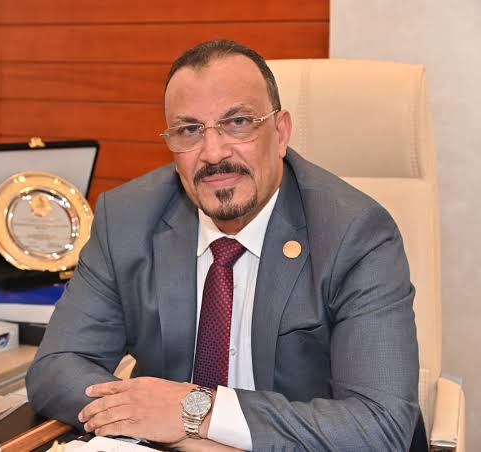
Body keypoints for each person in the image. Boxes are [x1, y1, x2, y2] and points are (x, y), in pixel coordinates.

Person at [26, 39, 421, 450]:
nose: (213, 154)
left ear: (280, 132)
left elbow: (380, 426)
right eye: (189, 130)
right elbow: (56, 368)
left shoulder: (355, 233)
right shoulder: (126, 219)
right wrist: (183, 437)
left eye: (238, 122)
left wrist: (194, 413)